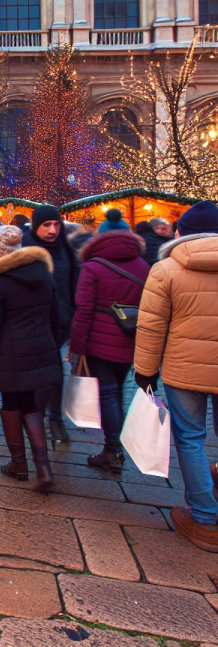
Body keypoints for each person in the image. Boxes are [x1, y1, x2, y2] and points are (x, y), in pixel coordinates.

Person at [134, 200, 218, 552]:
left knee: (190, 438)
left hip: (184, 369)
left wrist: (144, 372)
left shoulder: (166, 268)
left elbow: (151, 326)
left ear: (181, 232)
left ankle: (205, 522)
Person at [0, 226, 60, 491]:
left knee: (11, 402)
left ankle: (19, 465)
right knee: (31, 404)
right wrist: (51, 349)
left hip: (9, 355)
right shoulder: (43, 272)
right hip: (40, 349)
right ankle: (43, 468)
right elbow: (55, 316)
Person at [70, 229, 149, 474]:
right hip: (130, 338)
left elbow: (84, 311)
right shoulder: (144, 266)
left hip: (98, 341)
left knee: (107, 394)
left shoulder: (93, 267)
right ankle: (114, 446)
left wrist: (77, 348)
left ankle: (113, 451)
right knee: (117, 392)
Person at [23, 204, 81, 444]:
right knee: (45, 372)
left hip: (61, 324)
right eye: (47, 225)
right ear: (37, 226)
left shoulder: (65, 251)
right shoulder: (25, 249)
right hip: (34, 324)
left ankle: (52, 417)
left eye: (57, 224)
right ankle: (39, 417)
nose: (53, 230)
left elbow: (74, 288)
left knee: (54, 370)